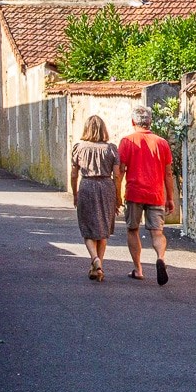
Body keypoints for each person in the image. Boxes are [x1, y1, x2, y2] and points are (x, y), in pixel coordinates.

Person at [118, 106, 177, 285]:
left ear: (133, 122)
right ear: (150, 122)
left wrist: (116, 194)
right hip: (156, 193)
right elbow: (168, 173)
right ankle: (160, 257)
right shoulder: (162, 143)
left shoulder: (127, 141)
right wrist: (170, 198)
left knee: (132, 229)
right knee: (157, 232)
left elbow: (120, 170)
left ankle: (138, 269)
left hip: (134, 193)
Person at [70, 115, 122, 281]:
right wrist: (118, 196)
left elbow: (73, 174)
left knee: (87, 227)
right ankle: (99, 269)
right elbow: (117, 176)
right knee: (103, 229)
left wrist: (75, 193)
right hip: (106, 187)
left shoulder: (79, 148)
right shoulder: (111, 149)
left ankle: (94, 259)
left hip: (87, 186)